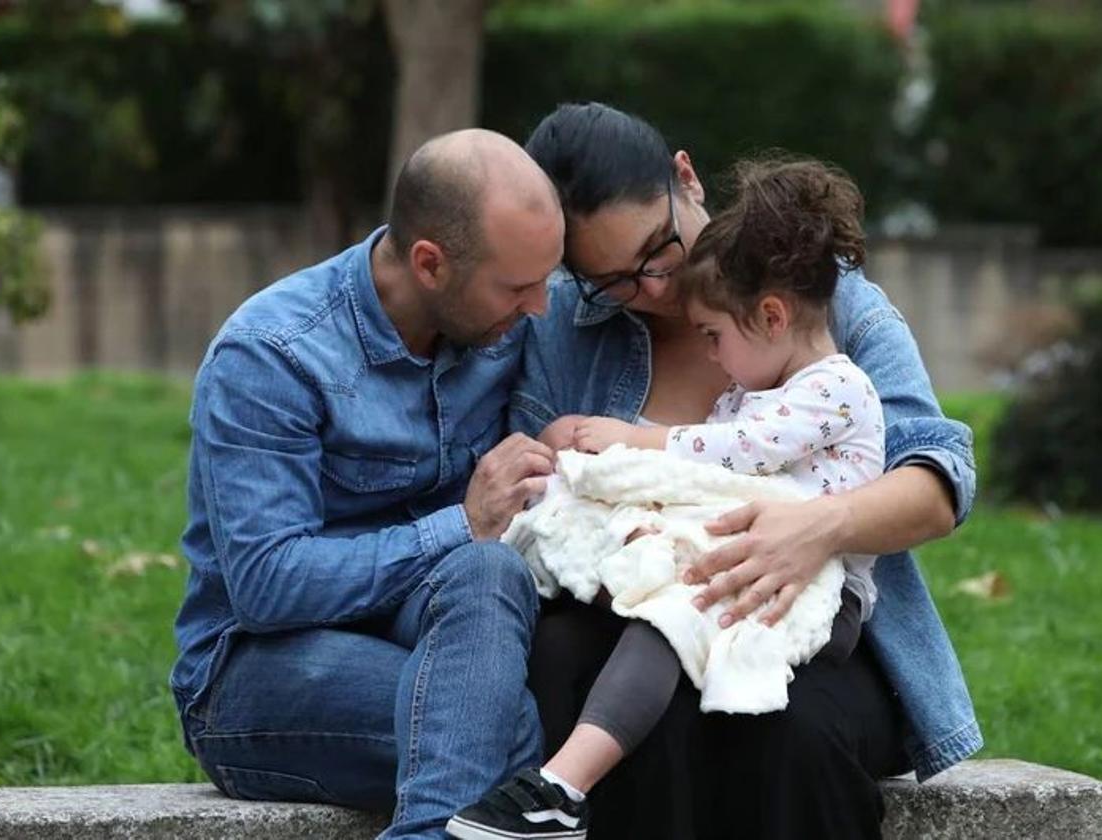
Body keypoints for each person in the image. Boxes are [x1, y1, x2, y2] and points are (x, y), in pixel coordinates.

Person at [506, 102, 981, 839]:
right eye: (613, 281)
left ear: (686, 180)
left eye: (658, 253)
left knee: (785, 730)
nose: (653, 290)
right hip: (634, 610)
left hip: (806, 626)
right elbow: (533, 492)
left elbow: (939, 479)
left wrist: (817, 528)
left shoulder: (817, 291)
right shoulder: (565, 324)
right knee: (586, 679)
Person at [447, 155, 888, 840]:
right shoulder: (751, 391)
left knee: (672, 619)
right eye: (609, 282)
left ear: (772, 315)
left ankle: (562, 787)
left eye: (715, 336)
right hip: (744, 571)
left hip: (825, 595)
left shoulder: (833, 389)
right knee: (645, 604)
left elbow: (734, 455)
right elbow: (702, 492)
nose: (709, 355)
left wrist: (631, 443)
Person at [169, 128, 565, 840]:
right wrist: (461, 522)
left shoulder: (502, 324)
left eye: (547, 278)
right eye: (517, 286)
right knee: (506, 731)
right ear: (430, 264)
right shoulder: (272, 355)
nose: (539, 307)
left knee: (488, 569)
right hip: (257, 670)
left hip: (430, 627)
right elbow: (267, 585)